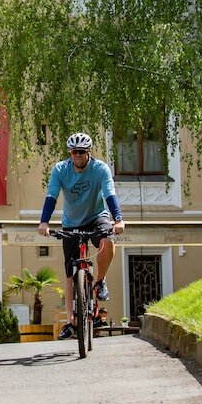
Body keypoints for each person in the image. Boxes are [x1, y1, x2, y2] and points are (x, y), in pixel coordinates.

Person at [37, 133, 125, 340]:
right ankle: (70, 321)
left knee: (107, 241)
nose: (78, 156)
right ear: (70, 153)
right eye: (75, 152)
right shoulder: (60, 169)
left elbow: (109, 194)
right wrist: (44, 222)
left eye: (82, 152)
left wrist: (118, 219)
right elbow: (52, 195)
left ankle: (100, 281)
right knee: (70, 274)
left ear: (89, 153)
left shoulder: (100, 169)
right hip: (71, 223)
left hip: (97, 216)